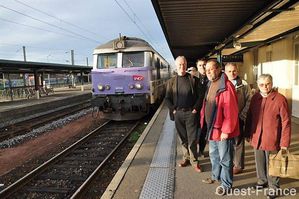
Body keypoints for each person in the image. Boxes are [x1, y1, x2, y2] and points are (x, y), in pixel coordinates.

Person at [245, 74, 291, 199]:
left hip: (273, 138)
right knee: (259, 162)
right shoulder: (255, 98)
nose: (265, 87)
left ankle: (274, 188)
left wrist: (284, 143)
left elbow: (286, 122)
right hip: (257, 137)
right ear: (257, 85)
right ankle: (262, 181)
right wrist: (248, 133)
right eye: (261, 84)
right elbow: (249, 116)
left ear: (272, 83)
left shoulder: (280, 99)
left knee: (273, 164)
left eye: (267, 84)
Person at [200, 59, 239, 195]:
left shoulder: (226, 86)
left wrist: (226, 131)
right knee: (214, 155)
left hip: (222, 130)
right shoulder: (211, 84)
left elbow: (231, 111)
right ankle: (215, 176)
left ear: (218, 69)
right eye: (207, 70)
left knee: (225, 158)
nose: (209, 72)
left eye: (212, 69)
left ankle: (226, 184)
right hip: (212, 128)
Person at [165, 56, 205, 172]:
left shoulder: (193, 79)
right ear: (176, 66)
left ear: (186, 65)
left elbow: (200, 96)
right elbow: (167, 98)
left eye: (184, 64)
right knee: (183, 138)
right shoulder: (171, 82)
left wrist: (195, 109)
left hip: (191, 113)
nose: (182, 67)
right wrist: (173, 109)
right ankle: (186, 158)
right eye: (179, 65)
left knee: (192, 139)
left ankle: (194, 161)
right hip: (178, 113)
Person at [224, 63, 251, 174]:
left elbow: (249, 100)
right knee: (227, 142)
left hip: (239, 117)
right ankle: (228, 163)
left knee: (238, 142)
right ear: (225, 72)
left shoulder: (244, 84)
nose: (232, 73)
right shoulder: (222, 83)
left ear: (237, 71)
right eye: (229, 71)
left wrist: (242, 115)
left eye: (234, 71)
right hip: (226, 119)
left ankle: (238, 165)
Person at [196, 59, 209, 156]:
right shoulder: (193, 78)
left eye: (204, 65)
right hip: (196, 109)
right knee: (195, 130)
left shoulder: (211, 77)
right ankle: (191, 153)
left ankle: (201, 150)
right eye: (200, 65)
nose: (202, 67)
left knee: (204, 131)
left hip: (207, 108)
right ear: (197, 67)